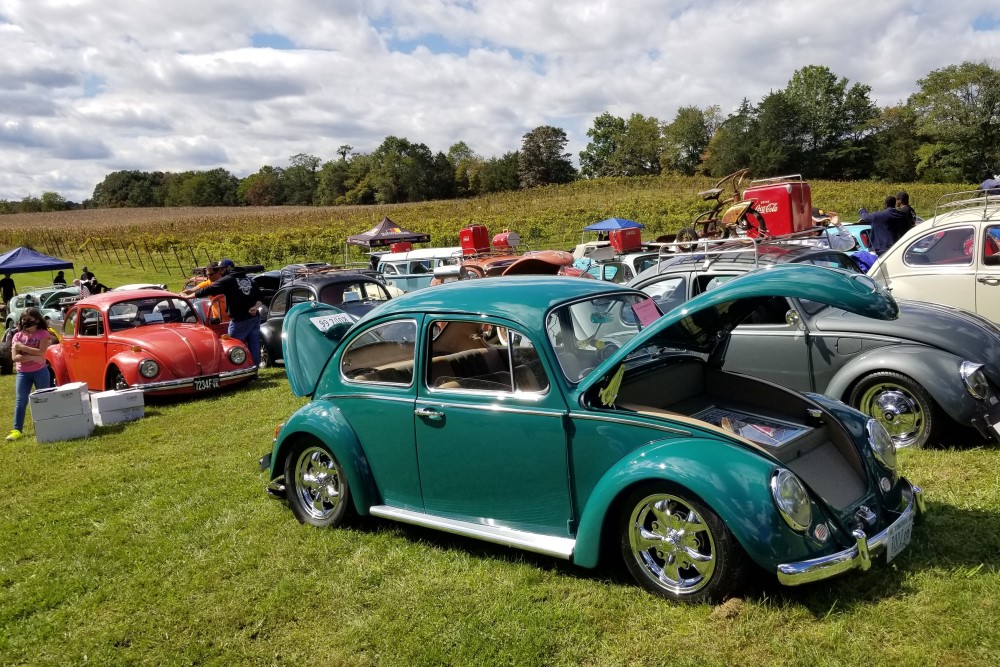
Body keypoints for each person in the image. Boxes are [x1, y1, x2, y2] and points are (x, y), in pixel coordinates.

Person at [192, 258, 263, 366]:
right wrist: (255, 307)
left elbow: (209, 289)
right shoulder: (248, 279)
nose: (220, 272)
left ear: (228, 268)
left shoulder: (228, 279)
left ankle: (236, 368)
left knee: (232, 345)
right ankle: (254, 368)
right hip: (254, 317)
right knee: (254, 344)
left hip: (239, 319)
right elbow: (260, 297)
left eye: (221, 269)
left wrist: (190, 295)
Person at [6, 307, 51, 441]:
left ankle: (47, 425)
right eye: (23, 320)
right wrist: (33, 357)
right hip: (23, 373)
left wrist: (23, 348)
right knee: (21, 401)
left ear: (37, 320)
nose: (25, 322)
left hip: (40, 372)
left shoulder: (43, 333)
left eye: (29, 320)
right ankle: (16, 430)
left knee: (44, 399)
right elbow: (15, 357)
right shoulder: (17, 336)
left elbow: (42, 352)